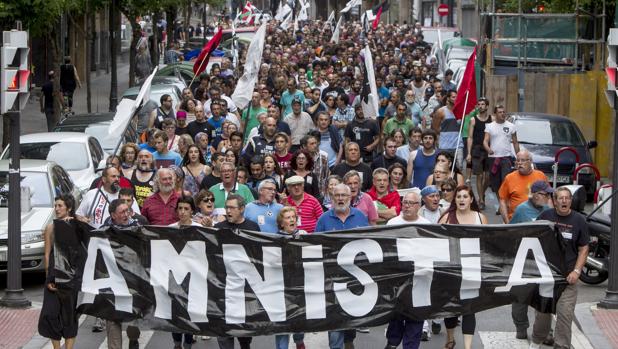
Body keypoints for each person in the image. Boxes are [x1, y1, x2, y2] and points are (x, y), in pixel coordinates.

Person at [529, 187, 589, 349]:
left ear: (571, 201)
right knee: (542, 315)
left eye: (567, 198)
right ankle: (536, 343)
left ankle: (562, 346)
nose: (564, 201)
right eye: (560, 198)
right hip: (546, 277)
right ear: (554, 201)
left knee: (565, 315)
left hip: (567, 278)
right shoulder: (545, 216)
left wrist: (576, 271)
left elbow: (584, 248)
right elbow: (532, 238)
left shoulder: (579, 221)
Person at [314, 183, 369, 349]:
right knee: (335, 319)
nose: (340, 199)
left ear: (350, 197)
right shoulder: (323, 219)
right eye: (336, 195)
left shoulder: (360, 216)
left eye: (343, 195)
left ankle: (349, 339)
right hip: (332, 279)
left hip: (355, 278)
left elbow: (369, 243)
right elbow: (315, 246)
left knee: (351, 319)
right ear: (332, 198)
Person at [438, 186, 488, 349]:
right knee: (451, 308)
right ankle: (450, 338)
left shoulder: (481, 218)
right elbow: (435, 242)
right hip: (450, 270)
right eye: (458, 196)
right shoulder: (445, 218)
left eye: (465, 196)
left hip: (472, 270)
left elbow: (488, 244)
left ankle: (468, 346)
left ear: (471, 199)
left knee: (469, 307)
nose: (461, 199)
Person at [509, 180, 554, 341]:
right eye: (544, 194)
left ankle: (544, 331)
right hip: (524, 261)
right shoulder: (522, 210)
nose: (547, 197)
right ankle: (521, 327)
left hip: (543, 261)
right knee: (520, 297)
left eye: (549, 194)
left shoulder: (549, 210)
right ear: (534, 195)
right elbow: (511, 231)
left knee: (543, 297)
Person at [383, 190, 429, 349]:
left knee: (416, 318)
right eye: (405, 203)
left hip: (420, 280)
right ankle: (392, 342)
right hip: (397, 279)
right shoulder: (392, 224)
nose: (407, 206)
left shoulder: (427, 226)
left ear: (419, 206)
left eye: (411, 203)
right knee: (396, 316)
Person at [38, 195, 78, 349]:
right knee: (50, 314)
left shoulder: (76, 225)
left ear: (68, 208)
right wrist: (49, 278)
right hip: (54, 276)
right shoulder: (50, 227)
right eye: (55, 206)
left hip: (70, 278)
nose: (57, 209)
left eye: (60, 206)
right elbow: (47, 254)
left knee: (69, 316)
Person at [102, 199, 143, 348]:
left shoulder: (139, 227)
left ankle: (133, 339)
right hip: (112, 282)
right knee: (112, 318)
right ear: (113, 215)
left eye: (128, 210)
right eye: (122, 212)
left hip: (133, 281)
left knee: (132, 316)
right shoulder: (103, 231)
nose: (127, 214)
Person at [273, 206, 307, 349]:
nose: (292, 220)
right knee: (282, 324)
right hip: (281, 286)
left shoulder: (305, 234)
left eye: (293, 217)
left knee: (299, 319)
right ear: (281, 223)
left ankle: (299, 340)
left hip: (300, 285)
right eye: (288, 218)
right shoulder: (273, 239)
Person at [498, 150, 548, 223]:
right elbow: (502, 200)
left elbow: (548, 198)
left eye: (523, 160)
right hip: (516, 221)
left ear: (530, 161)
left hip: (537, 220)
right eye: (518, 160)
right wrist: (507, 223)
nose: (520, 163)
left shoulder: (541, 176)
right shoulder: (509, 178)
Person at [484, 105, 519, 195]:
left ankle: (501, 206)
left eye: (503, 112)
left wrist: (519, 157)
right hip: (493, 158)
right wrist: (488, 149)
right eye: (500, 112)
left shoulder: (511, 126)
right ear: (495, 114)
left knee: (505, 181)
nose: (502, 114)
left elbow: (515, 142)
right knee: (495, 184)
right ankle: (500, 202)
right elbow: (485, 141)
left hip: (506, 158)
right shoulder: (489, 126)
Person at [466, 98, 492, 209]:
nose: (480, 106)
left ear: (487, 106)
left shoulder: (492, 119)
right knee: (479, 176)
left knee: (488, 177)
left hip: (489, 150)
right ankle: (481, 200)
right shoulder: (473, 120)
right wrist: (469, 153)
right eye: (479, 104)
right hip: (476, 150)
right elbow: (470, 137)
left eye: (483, 104)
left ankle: (482, 193)